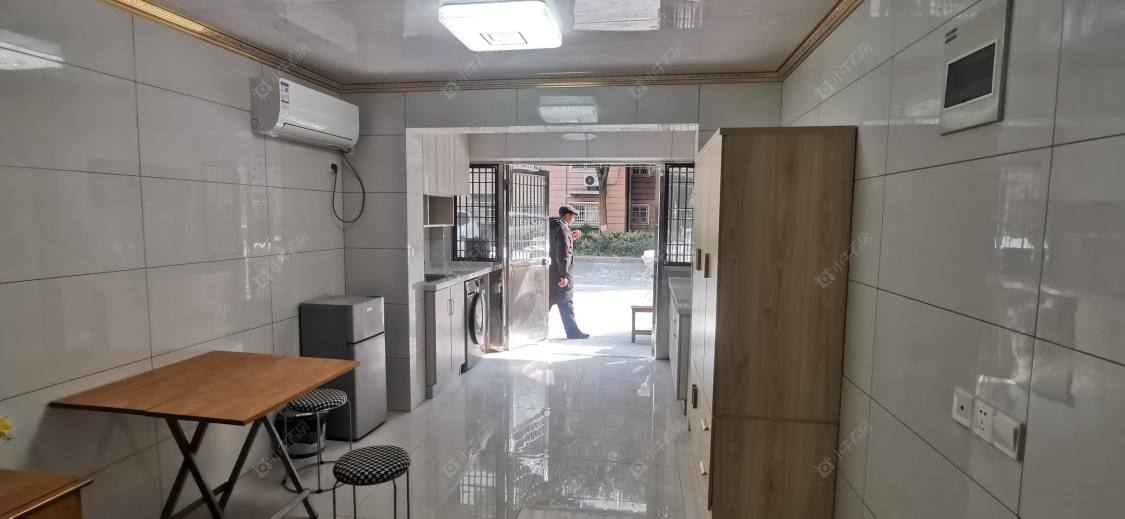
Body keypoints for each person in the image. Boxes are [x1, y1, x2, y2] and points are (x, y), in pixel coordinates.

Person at [549, 205, 590, 339]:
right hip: (559, 273)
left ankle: (572, 331)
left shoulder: (553, 225)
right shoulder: (563, 228)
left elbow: (556, 245)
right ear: (567, 215)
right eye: (573, 217)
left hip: (551, 271)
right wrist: (564, 275)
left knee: (562, 302)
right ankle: (573, 332)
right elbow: (563, 253)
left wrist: (570, 238)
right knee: (564, 300)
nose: (573, 220)